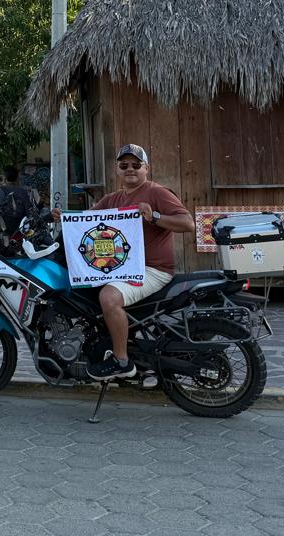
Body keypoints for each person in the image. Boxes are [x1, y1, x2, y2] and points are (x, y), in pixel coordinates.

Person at [52, 144, 194, 381]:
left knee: (109, 297)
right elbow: (86, 220)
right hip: (121, 269)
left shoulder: (157, 192)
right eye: (124, 165)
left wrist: (154, 216)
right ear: (117, 169)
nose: (130, 169)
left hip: (151, 269)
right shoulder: (113, 199)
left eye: (136, 165)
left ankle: (121, 361)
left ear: (146, 168)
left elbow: (188, 223)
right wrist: (63, 217)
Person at [0, 165, 37, 233]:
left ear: (5, 178)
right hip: (20, 227)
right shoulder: (22, 191)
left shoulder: (0, 191)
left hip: (5, 227)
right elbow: (28, 210)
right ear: (17, 178)